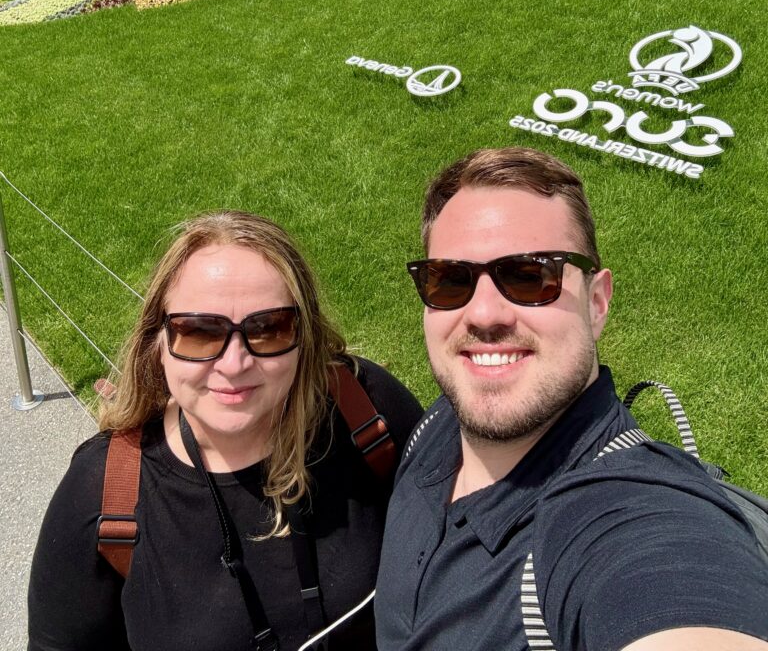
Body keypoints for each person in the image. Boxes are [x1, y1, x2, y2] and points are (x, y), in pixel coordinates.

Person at [375, 147, 768, 651]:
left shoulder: (627, 514)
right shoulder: (439, 423)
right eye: (451, 280)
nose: (484, 314)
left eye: (529, 276)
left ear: (597, 302)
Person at [29, 210, 422, 651]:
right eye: (199, 332)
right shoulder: (102, 493)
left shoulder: (366, 413)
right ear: (157, 342)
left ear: (304, 334)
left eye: (269, 328)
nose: (234, 365)